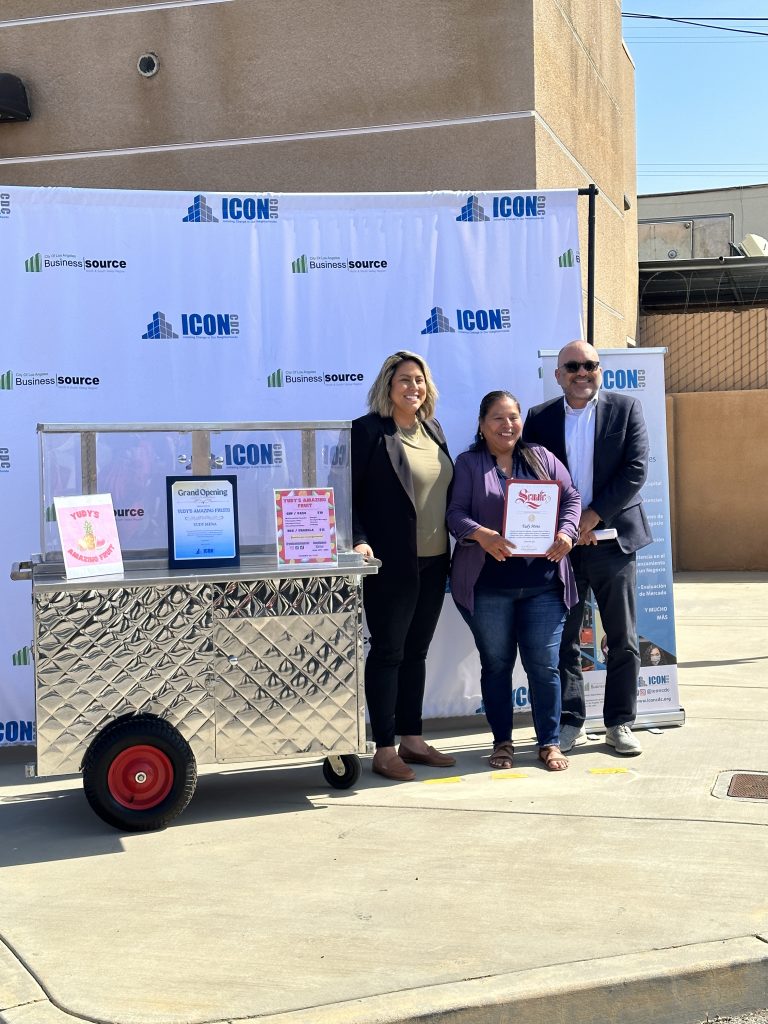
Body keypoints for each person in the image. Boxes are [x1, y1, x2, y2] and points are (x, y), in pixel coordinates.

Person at [523, 340, 652, 756]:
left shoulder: (626, 408)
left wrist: (592, 517)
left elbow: (635, 470)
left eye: (590, 365)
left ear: (601, 371)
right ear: (558, 375)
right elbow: (532, 479)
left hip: (613, 541)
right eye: (573, 366)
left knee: (623, 637)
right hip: (564, 546)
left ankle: (619, 722)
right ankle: (570, 721)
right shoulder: (539, 418)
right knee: (565, 640)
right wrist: (567, 527)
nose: (582, 372)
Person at [446, 391, 581, 772]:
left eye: (513, 417)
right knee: (497, 665)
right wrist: (481, 535)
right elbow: (454, 514)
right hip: (489, 587)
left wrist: (568, 532)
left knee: (544, 666)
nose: (507, 425)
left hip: (543, 585)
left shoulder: (541, 457)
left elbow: (571, 498)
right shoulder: (469, 463)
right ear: (481, 424)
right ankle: (502, 742)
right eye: (497, 419)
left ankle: (549, 742)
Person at [351, 351, 455, 781]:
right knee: (389, 652)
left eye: (419, 380)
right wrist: (358, 539)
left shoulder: (433, 429)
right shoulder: (369, 430)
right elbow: (349, 492)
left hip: (434, 563)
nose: (413, 387)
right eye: (405, 381)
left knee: (417, 651)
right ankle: (384, 746)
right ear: (388, 387)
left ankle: (413, 738)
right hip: (390, 563)